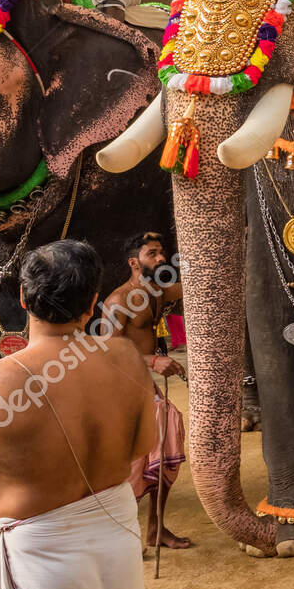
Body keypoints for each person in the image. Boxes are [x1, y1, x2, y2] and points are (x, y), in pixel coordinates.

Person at [0, 240, 154, 589]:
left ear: (23, 297)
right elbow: (143, 445)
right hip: (116, 543)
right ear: (92, 304)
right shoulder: (125, 358)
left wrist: (11, 496)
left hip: (39, 560)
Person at [102, 232, 190, 552]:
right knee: (136, 460)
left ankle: (155, 528)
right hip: (118, 389)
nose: (162, 258)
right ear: (133, 262)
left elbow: (191, 289)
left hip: (144, 385)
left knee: (166, 445)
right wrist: (153, 359)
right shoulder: (118, 301)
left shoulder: (156, 293)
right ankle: (119, 536)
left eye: (162, 253)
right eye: (152, 254)